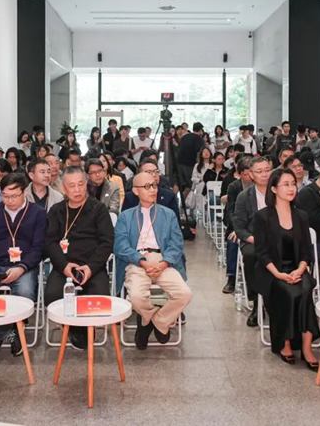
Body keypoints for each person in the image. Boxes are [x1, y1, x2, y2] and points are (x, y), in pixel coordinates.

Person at [113, 172, 191, 349]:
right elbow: (120, 245)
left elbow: (176, 243)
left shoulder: (168, 214)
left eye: (154, 186)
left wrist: (164, 263)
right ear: (136, 191)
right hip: (137, 261)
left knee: (184, 294)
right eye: (147, 187)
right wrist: (141, 261)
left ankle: (156, 322)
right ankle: (151, 318)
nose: (153, 190)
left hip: (164, 261)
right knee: (136, 297)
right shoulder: (126, 216)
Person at [0, 172, 45, 356]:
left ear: (24, 192)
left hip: (24, 266)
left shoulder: (38, 213)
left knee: (25, 292)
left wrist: (21, 268)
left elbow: (39, 248)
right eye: (5, 196)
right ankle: (1, 328)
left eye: (14, 196)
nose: (9, 200)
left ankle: (13, 330)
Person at [254, 168, 320, 368]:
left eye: (293, 184)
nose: (292, 188)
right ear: (274, 189)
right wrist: (279, 274)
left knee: (305, 289)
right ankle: (285, 343)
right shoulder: (263, 217)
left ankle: (307, 347)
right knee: (289, 293)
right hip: (273, 271)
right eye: (286, 184)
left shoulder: (301, 216)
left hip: (297, 268)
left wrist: (300, 269)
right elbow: (262, 252)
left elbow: (307, 251)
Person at [45, 167, 114, 350]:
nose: (77, 190)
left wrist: (90, 268)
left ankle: (86, 326)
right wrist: (64, 266)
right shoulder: (56, 211)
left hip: (92, 267)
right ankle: (75, 328)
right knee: (52, 295)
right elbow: (50, 243)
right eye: (72, 186)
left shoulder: (98, 209)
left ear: (86, 185)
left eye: (80, 184)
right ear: (64, 189)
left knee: (100, 296)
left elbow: (107, 243)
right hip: (64, 266)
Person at [233, 156, 272, 326]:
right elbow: (239, 228)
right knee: (251, 255)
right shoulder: (244, 196)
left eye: (267, 170)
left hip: (278, 238)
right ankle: (256, 301)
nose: (264, 174)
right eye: (259, 171)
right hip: (253, 239)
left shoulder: (279, 192)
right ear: (251, 175)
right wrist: (256, 239)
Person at [222, 156, 252, 293]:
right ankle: (231, 278)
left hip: (254, 226)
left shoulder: (260, 186)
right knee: (233, 240)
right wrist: (238, 229)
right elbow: (231, 211)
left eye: (251, 173)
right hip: (236, 225)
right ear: (239, 174)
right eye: (246, 174)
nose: (249, 177)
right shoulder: (234, 187)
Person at [177, 122, 206, 200]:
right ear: (200, 130)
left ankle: (175, 202)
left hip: (179, 164)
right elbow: (199, 153)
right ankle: (182, 203)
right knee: (189, 185)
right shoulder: (199, 139)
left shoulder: (185, 137)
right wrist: (199, 165)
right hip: (189, 165)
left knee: (179, 185)